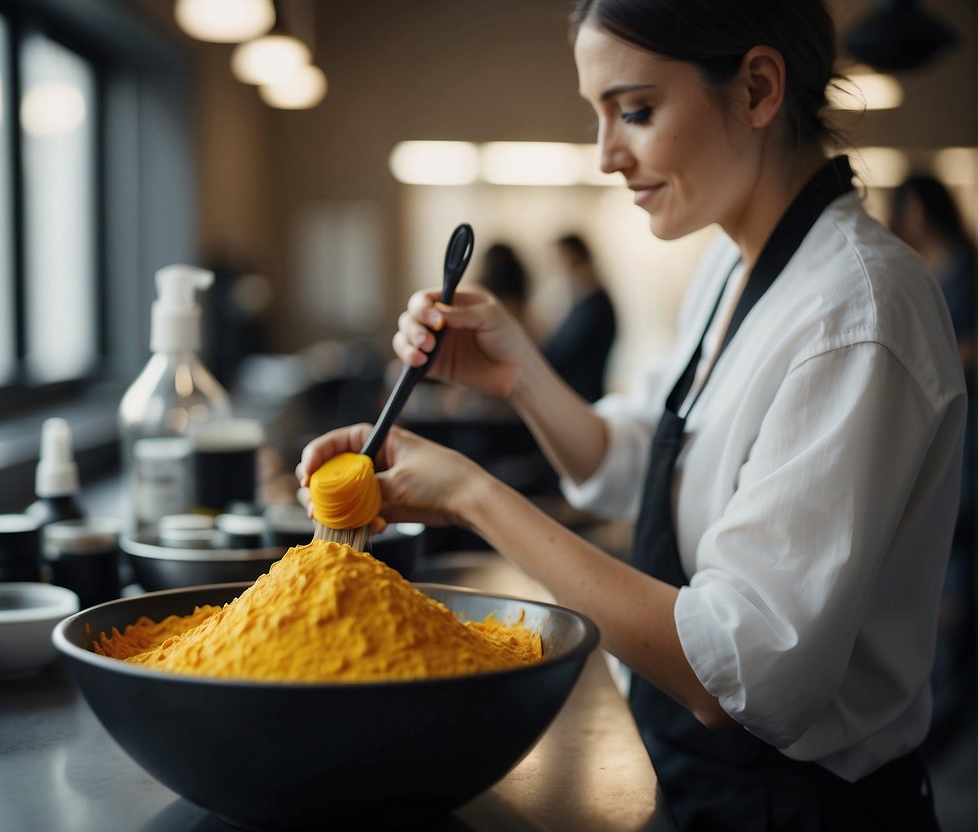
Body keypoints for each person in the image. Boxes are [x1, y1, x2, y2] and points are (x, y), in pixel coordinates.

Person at [298, 1, 966, 828]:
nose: (607, 156)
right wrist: (516, 374)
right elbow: (633, 462)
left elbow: (748, 671)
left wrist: (472, 498)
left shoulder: (856, 315)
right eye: (598, 116)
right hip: (691, 776)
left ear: (757, 87)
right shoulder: (735, 269)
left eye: (635, 111)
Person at [889, 174, 977, 754]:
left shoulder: (964, 271)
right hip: (949, 442)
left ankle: (948, 718)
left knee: (957, 583)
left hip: (968, 445)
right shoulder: (933, 271)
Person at [541, 234, 617, 401]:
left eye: (557, 258)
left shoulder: (594, 305)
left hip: (584, 398)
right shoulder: (584, 301)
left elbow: (559, 354)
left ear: (572, 256)